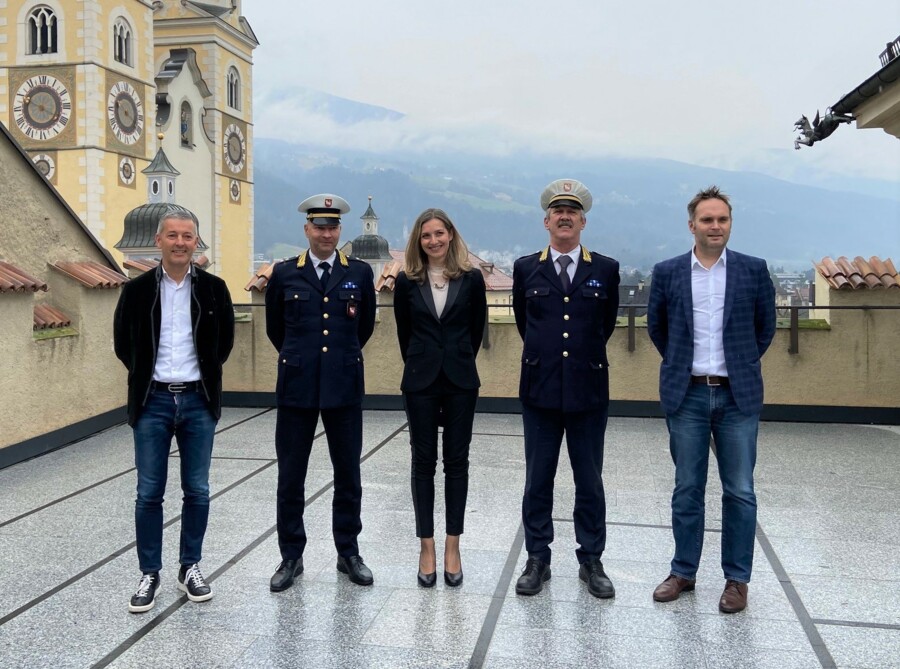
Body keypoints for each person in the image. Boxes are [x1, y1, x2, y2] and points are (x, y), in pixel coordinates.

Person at [647, 186, 776, 614]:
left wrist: (737, 364)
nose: (715, 226)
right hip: (687, 394)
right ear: (692, 226)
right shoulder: (667, 272)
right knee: (687, 489)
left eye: (721, 219)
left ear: (730, 224)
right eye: (707, 220)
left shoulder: (753, 270)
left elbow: (764, 328)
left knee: (739, 491)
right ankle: (683, 571)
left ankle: (737, 580)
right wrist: (686, 365)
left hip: (737, 396)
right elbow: (658, 329)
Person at [113, 209, 235, 613]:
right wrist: (149, 376)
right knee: (149, 492)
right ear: (158, 241)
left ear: (195, 242)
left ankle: (190, 567)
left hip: (199, 400)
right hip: (153, 401)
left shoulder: (215, 289)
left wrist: (201, 380)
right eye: (173, 235)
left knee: (196, 490)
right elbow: (122, 344)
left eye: (188, 236)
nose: (181, 242)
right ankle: (150, 572)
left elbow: (224, 345)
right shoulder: (137, 290)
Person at [511, 179, 620, 599]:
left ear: (583, 221)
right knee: (538, 479)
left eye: (572, 212)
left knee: (589, 480)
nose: (565, 217)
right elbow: (526, 323)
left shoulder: (605, 269)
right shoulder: (525, 268)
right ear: (546, 221)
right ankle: (537, 557)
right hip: (540, 390)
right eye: (558, 211)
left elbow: (603, 325)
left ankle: (591, 559)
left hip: (588, 391)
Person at [265, 193, 376, 592]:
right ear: (307, 229)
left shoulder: (359, 273)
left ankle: (348, 552)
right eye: (319, 226)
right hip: (296, 388)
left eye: (332, 227)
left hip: (343, 387)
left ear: (339, 231)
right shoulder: (283, 273)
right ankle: (291, 556)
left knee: (348, 474)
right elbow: (276, 329)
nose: (326, 233)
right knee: (291, 476)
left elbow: (364, 328)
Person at [394, 208, 487, 588]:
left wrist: (457, 361)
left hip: (461, 380)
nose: (433, 241)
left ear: (451, 235)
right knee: (422, 463)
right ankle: (426, 547)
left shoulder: (472, 279)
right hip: (420, 381)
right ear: (419, 241)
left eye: (439, 233)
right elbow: (405, 334)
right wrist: (423, 363)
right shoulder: (405, 281)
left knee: (457, 463)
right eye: (425, 236)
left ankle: (453, 546)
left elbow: (476, 330)